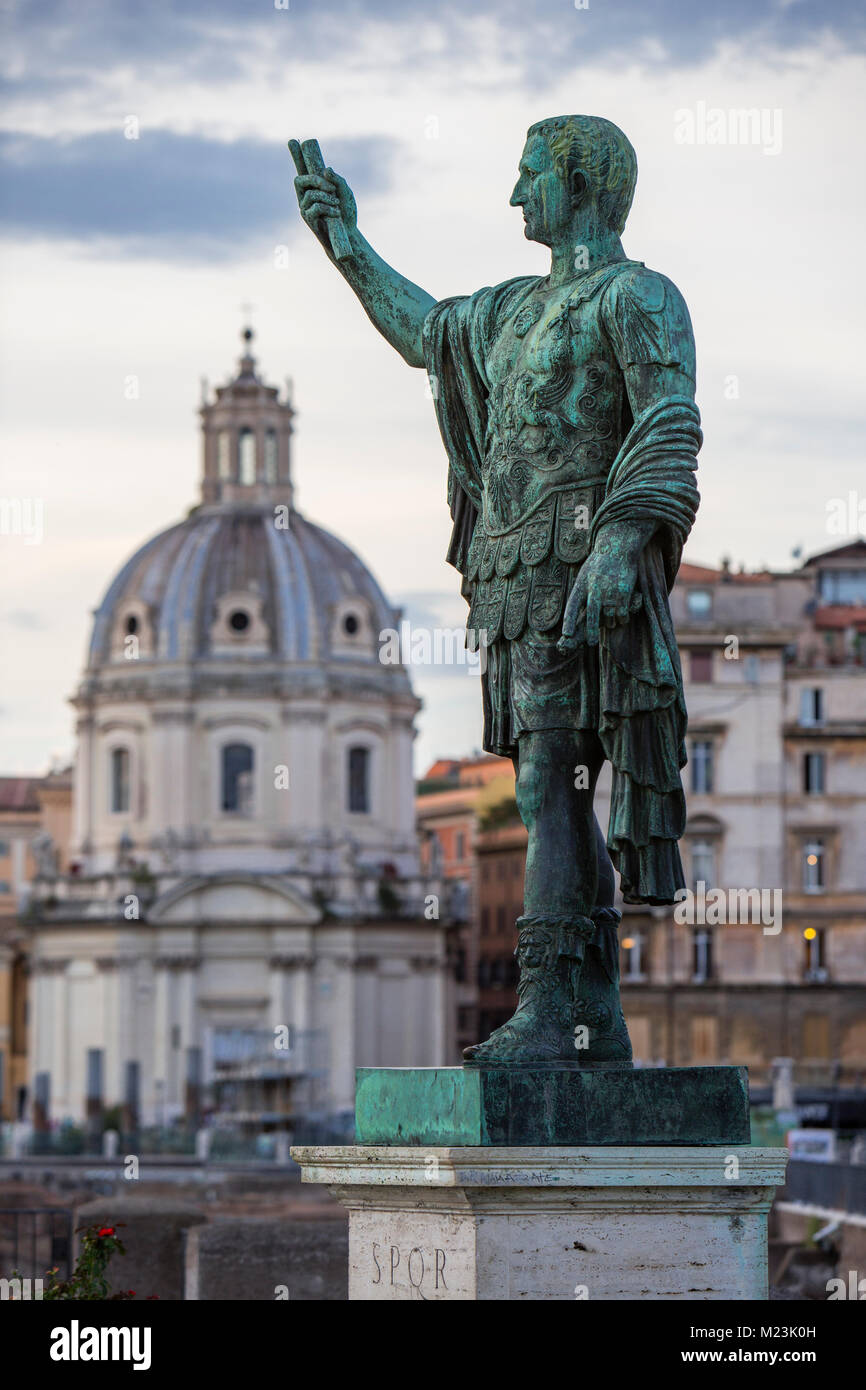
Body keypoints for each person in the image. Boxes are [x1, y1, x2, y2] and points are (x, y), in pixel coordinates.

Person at [293, 115, 701, 1063]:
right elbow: (426, 336)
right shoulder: (510, 310)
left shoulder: (639, 297)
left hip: (586, 567)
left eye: (528, 175)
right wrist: (347, 247)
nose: (516, 196)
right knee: (543, 786)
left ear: (580, 182)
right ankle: (587, 1006)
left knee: (546, 782)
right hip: (515, 576)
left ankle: (557, 1009)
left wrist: (619, 543)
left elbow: (670, 421)